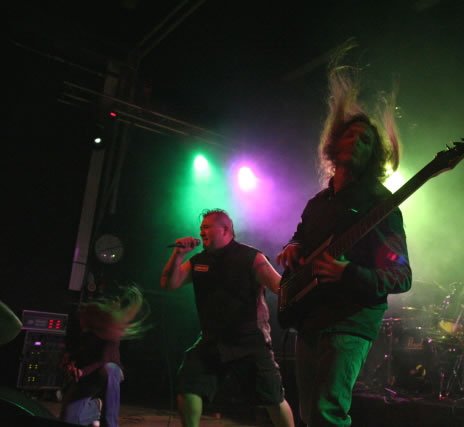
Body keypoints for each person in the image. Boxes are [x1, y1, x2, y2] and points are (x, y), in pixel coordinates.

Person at [276, 41, 412, 427]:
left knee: (328, 412)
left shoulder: (381, 205)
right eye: (351, 135)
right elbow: (302, 235)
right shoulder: (318, 202)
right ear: (334, 143)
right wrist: (293, 246)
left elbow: (401, 275)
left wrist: (347, 273)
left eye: (367, 140)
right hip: (310, 317)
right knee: (309, 414)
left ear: (375, 155)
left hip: (351, 321)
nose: (358, 142)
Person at [160, 209, 295, 427]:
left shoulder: (251, 257)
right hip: (212, 341)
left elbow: (279, 287)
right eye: (201, 228)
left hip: (250, 341)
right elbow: (169, 283)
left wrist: (303, 277)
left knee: (273, 398)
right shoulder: (199, 261)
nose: (201, 232)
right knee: (189, 384)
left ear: (225, 229)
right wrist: (178, 254)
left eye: (206, 227)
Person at [60, 284, 149, 427]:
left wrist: (82, 372)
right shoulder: (80, 326)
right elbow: (71, 350)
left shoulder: (109, 334)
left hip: (104, 370)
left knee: (110, 369)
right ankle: (95, 408)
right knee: (68, 419)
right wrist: (69, 364)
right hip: (86, 375)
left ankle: (110, 423)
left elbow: (103, 360)